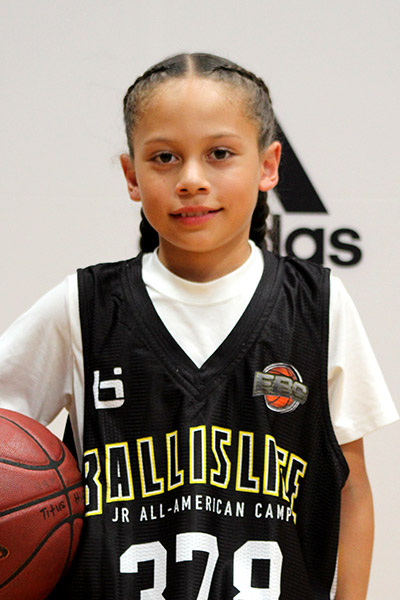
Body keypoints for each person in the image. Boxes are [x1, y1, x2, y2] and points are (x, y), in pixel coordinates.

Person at [0, 52, 398, 599]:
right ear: (132, 176)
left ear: (268, 166)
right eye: (164, 157)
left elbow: (351, 490)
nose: (191, 180)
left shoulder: (317, 305)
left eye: (219, 154)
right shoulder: (86, 306)